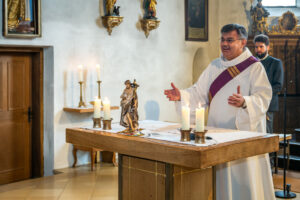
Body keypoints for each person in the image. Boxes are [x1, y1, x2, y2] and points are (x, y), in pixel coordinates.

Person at [164, 24, 275, 199]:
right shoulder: (214, 66)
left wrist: (246, 102)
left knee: (243, 179)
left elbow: (264, 97)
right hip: (217, 135)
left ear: (243, 42)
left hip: (242, 136)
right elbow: (199, 93)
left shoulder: (254, 67)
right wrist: (182, 96)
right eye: (222, 39)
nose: (224, 44)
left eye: (230, 40)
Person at [254, 34, 284, 134]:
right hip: (252, 103)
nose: (258, 49)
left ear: (268, 47)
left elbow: (278, 86)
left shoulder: (275, 63)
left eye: (261, 47)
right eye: (256, 47)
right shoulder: (251, 63)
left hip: (268, 104)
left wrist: (262, 94)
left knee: (266, 132)